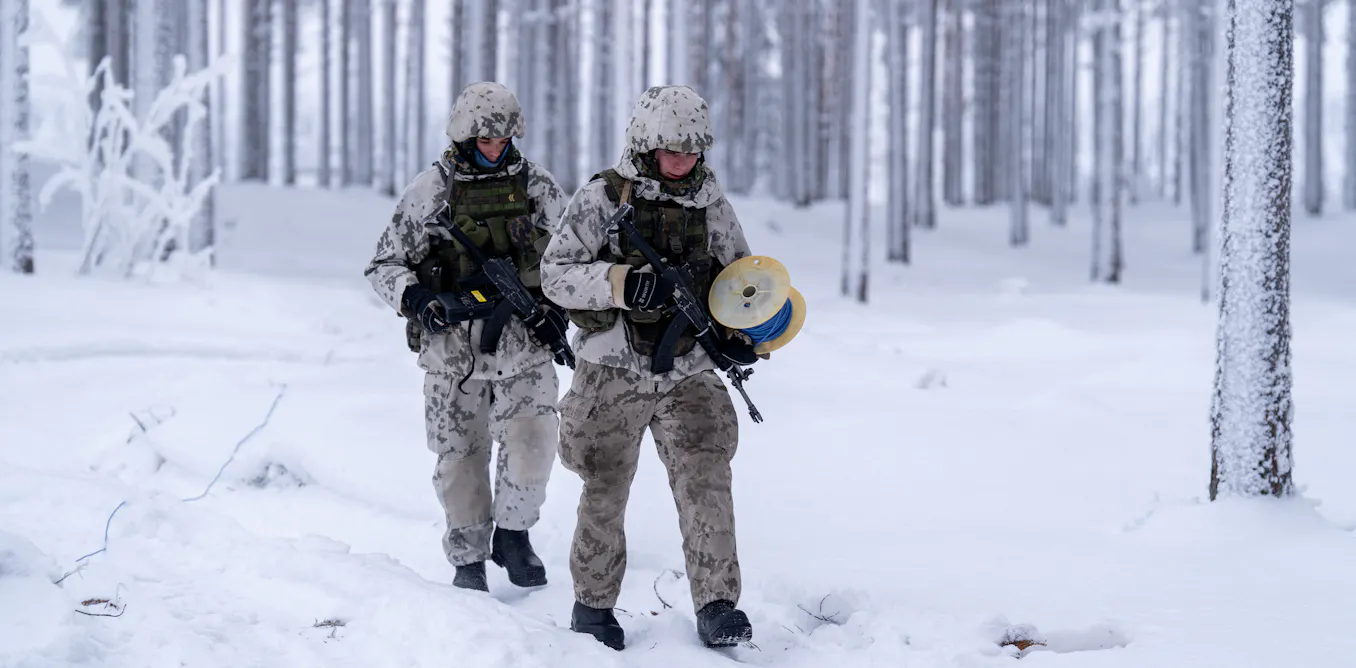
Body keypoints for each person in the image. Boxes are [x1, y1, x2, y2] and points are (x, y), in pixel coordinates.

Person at [540, 85, 764, 650]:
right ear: (645, 146)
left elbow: (741, 280)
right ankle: (593, 608)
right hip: (612, 367)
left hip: (689, 365)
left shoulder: (711, 204)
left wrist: (744, 337)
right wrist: (619, 284)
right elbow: (555, 274)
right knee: (604, 484)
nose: (683, 161)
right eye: (671, 151)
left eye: (692, 151)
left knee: (707, 476)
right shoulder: (602, 198)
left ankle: (717, 604)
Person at [364, 81, 569, 592]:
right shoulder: (431, 190)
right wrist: (416, 299)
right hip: (453, 353)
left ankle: (514, 535)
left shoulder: (537, 187)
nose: (495, 149)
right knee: (460, 459)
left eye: (503, 140)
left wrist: (557, 312)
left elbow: (571, 260)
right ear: (463, 136)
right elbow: (383, 265)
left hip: (525, 346)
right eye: (484, 141)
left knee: (535, 443)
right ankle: (468, 559)